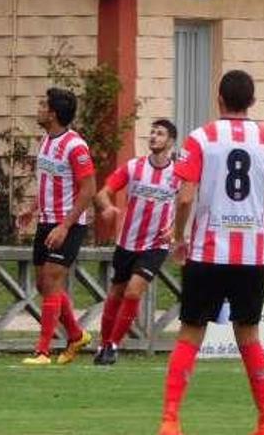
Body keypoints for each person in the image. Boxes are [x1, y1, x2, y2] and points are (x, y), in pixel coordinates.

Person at [158, 70, 264, 435]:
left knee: (190, 333)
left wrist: (178, 236)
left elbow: (185, 196)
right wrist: (257, 232)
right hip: (251, 257)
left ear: (219, 99)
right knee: (249, 335)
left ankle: (170, 420)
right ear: (252, 101)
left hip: (207, 253)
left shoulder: (202, 137)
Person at [18, 88, 96, 366]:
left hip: (68, 224)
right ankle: (76, 335)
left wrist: (65, 225)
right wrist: (33, 209)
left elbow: (89, 189)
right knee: (43, 284)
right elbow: (50, 182)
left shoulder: (76, 146)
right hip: (45, 220)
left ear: (52, 113)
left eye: (42, 104)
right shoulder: (46, 140)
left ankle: (42, 351)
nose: (38, 108)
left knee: (51, 280)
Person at [93, 119, 179, 366]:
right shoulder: (133, 167)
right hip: (127, 242)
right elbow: (102, 193)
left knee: (133, 291)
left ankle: (113, 346)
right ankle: (103, 343)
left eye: (160, 133)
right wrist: (107, 207)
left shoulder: (179, 174)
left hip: (155, 245)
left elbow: (189, 203)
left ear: (171, 141)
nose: (153, 137)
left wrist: (175, 230)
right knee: (116, 293)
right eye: (152, 133)